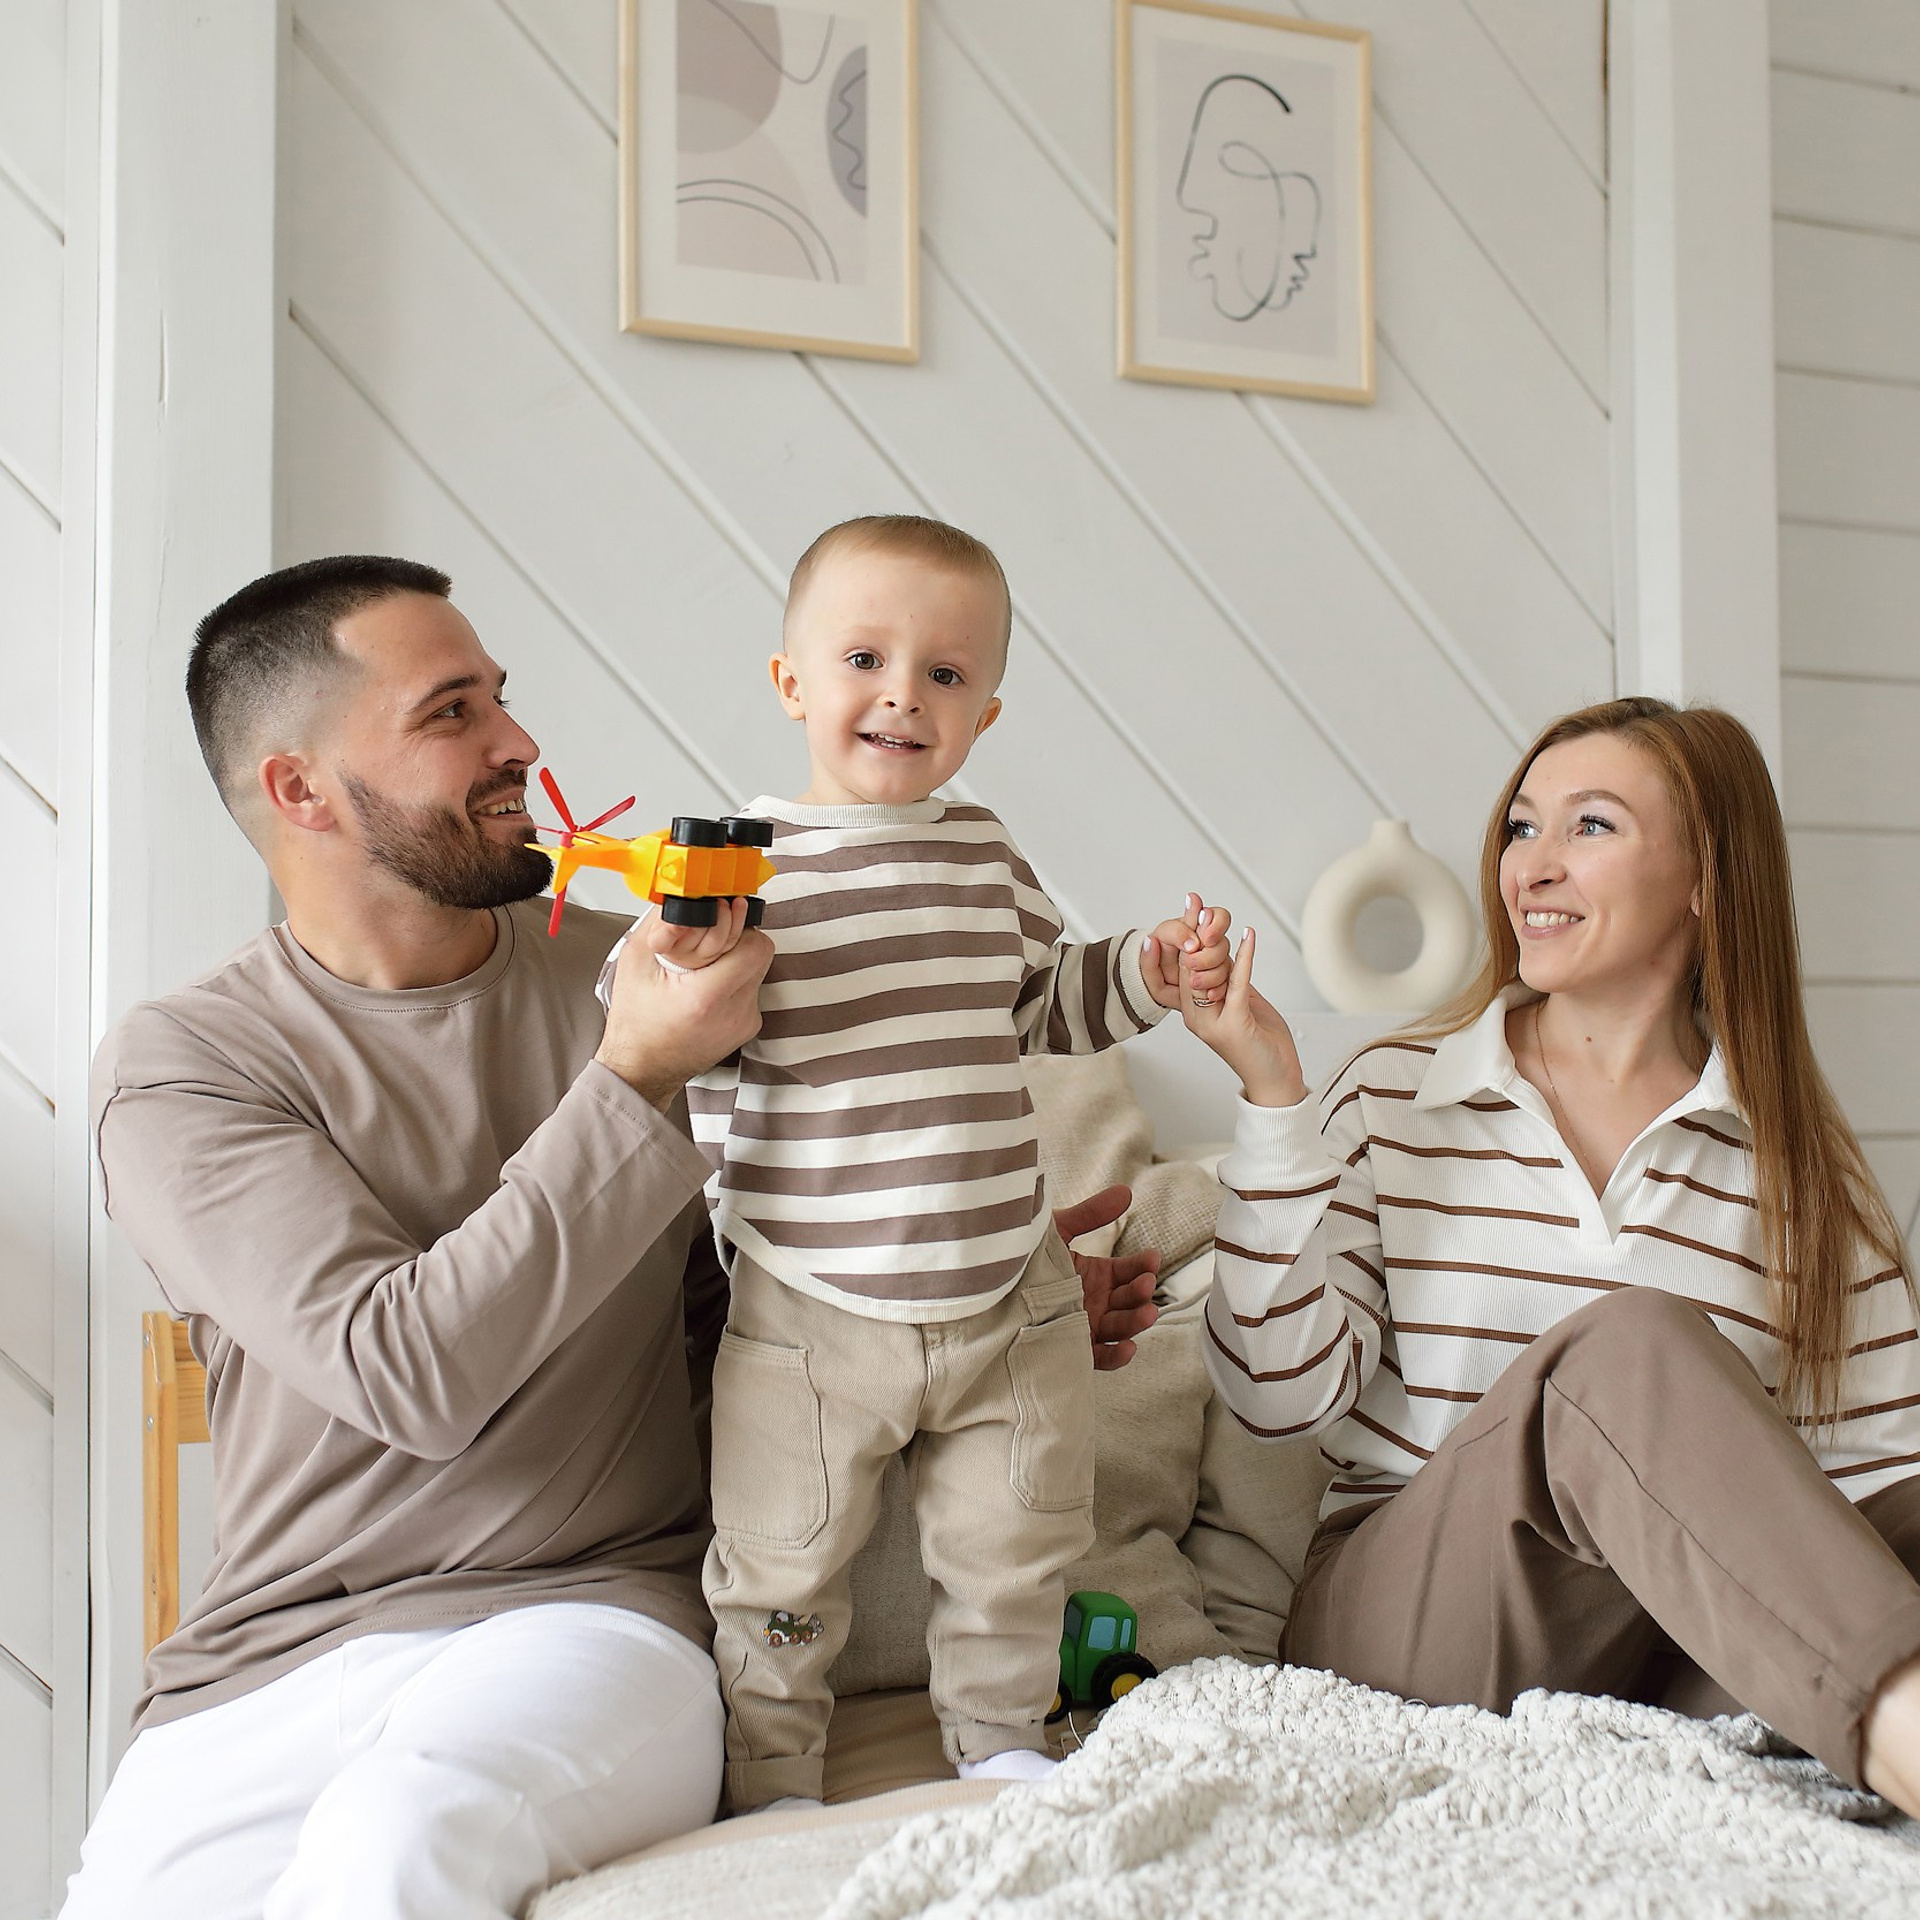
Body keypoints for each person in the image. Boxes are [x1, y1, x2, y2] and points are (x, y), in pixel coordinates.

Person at [62, 554, 1162, 1919]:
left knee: (399, 1846)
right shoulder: (187, 1066)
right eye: (451, 712)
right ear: (300, 791)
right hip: (265, 1666)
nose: (518, 741)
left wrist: (971, 1281)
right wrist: (631, 1080)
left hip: (583, 1622)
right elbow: (408, 1372)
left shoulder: (643, 967)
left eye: (502, 701)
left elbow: (728, 1307)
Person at [1160, 696, 1920, 1819]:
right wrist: (1276, 1099)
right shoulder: (1394, 1097)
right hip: (1411, 1624)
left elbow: (1877, 1481)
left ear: (1709, 881)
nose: (1534, 866)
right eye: (1523, 828)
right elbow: (1277, 1397)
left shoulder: (1802, 1171)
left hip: (1653, 1655)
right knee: (1627, 1348)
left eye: (1590, 827)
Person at [608, 514, 1231, 1812]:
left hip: (1009, 1292)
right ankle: (770, 1772)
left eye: (945, 675)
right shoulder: (738, 872)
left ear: (984, 715)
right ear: (792, 685)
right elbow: (662, 1034)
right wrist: (677, 958)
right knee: (779, 1562)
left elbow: (1049, 1006)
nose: (903, 694)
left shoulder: (983, 855)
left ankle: (1005, 1747)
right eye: (864, 660)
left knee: (1021, 1544)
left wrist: (1150, 973)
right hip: (809, 1301)